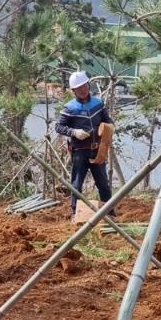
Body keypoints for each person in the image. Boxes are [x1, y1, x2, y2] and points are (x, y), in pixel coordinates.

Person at [55, 71, 116, 219]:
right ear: (73, 91)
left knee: (103, 183)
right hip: (79, 152)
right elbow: (59, 126)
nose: (82, 90)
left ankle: (109, 211)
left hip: (97, 150)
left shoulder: (98, 104)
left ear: (88, 85)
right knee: (76, 184)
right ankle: (75, 212)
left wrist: (109, 129)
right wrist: (74, 132)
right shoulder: (69, 108)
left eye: (84, 86)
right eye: (78, 88)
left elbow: (108, 121)